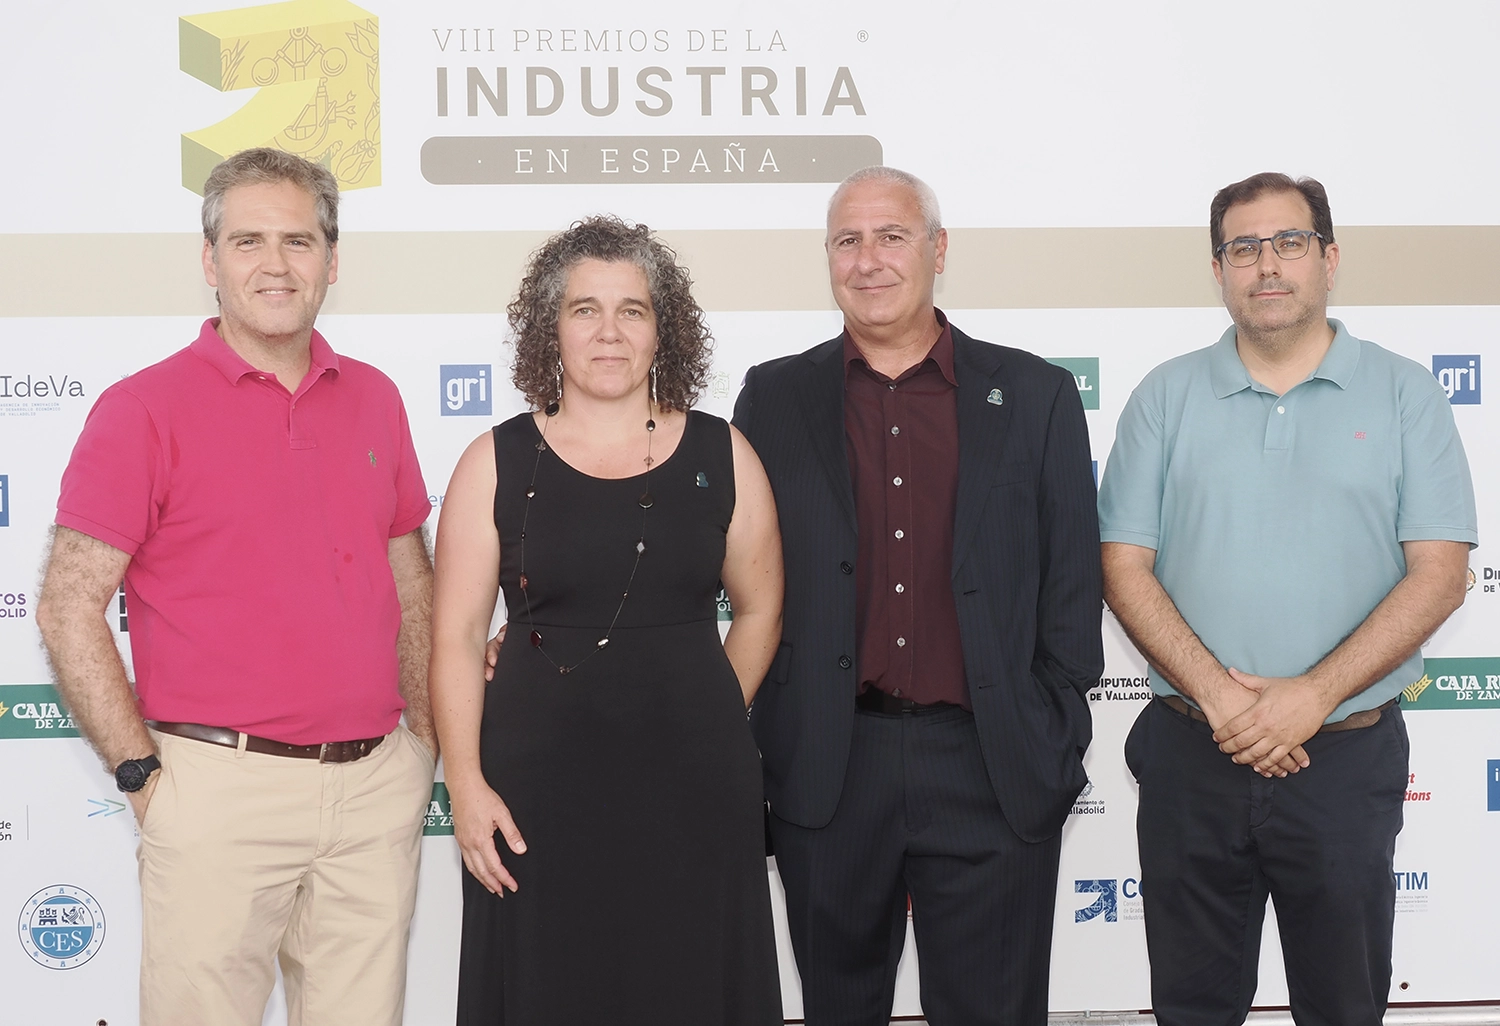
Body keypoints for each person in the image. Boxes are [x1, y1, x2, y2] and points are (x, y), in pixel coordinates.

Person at [35, 148, 437, 1025]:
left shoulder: (376, 398)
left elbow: (413, 584)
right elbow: (69, 606)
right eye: (248, 240)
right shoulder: (141, 410)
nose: (276, 264)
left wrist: (423, 745)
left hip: (374, 792)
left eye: (299, 241)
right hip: (217, 791)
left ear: (333, 260)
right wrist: (145, 776)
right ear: (209, 261)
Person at [1098, 172, 1476, 1026]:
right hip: (1194, 753)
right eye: (1243, 248)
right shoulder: (1165, 395)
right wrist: (1226, 699)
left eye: (1289, 243)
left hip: (1343, 760)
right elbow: (1122, 565)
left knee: (1343, 1007)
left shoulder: (1406, 393)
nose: (1266, 265)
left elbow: (1440, 574)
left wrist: (1311, 696)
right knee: (1192, 1008)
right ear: (1219, 269)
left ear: (1329, 259)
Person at [732, 166, 1103, 1025]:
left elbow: (1072, 581)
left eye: (891, 236)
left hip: (992, 761)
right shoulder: (772, 396)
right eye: (847, 240)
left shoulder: (1037, 395)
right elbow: (725, 564)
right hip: (828, 767)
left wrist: (1049, 727)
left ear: (938, 250)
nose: (869, 260)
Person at [430, 215, 785, 1025]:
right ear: (550, 329)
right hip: (534, 795)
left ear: (666, 329)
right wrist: (468, 784)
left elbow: (762, 609)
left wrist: (702, 710)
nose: (609, 332)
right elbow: (453, 639)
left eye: (633, 309)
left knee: (692, 985)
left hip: (697, 787)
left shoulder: (725, 454)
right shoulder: (494, 460)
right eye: (584, 309)